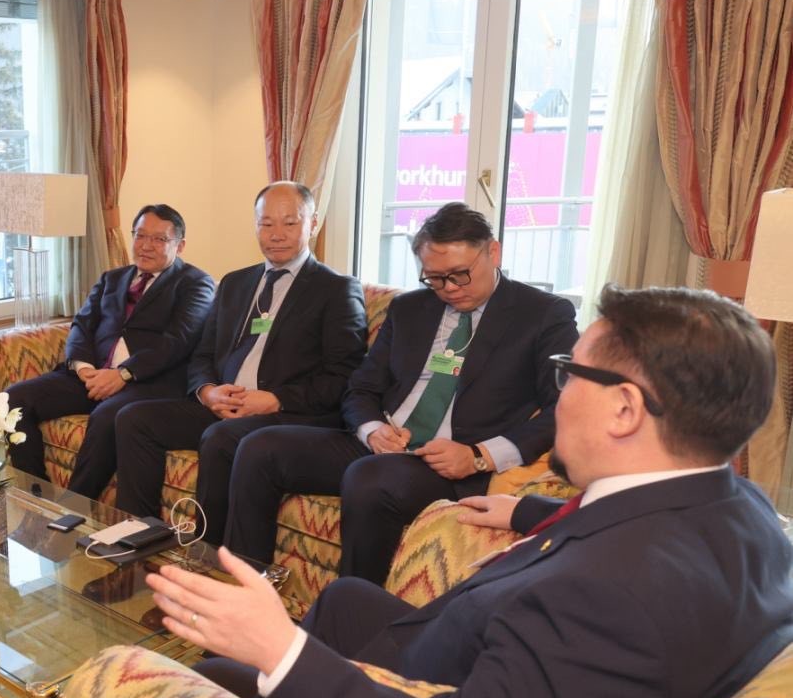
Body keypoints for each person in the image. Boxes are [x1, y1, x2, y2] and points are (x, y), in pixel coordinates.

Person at [100, 284, 793, 698]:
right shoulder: (745, 512)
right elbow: (636, 524)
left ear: (624, 410)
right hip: (459, 651)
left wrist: (277, 648)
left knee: (193, 683)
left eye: (569, 373)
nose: (555, 395)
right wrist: (529, 511)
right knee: (344, 596)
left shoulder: (610, 598)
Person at [222, 201, 578, 583]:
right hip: (382, 443)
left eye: (460, 275)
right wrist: (372, 429)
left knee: (369, 479)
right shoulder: (409, 308)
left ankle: (352, 610)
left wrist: (480, 456)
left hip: (452, 461)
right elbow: (362, 386)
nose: (449, 289)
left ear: (493, 252)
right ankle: (243, 584)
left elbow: (564, 407)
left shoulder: (543, 314)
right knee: (259, 448)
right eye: (435, 278)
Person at [111, 182, 367, 542]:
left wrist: (275, 399)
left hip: (286, 413)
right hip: (224, 403)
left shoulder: (336, 289)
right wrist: (207, 391)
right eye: (266, 223)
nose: (276, 234)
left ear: (312, 224)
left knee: (220, 439)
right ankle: (135, 538)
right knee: (134, 419)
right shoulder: (235, 283)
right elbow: (203, 354)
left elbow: (344, 375)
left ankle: (208, 554)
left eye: (289, 223)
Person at [6, 204, 214, 498]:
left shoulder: (196, 284)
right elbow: (81, 325)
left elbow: (177, 340)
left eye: (159, 239)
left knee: (107, 417)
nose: (146, 246)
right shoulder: (112, 278)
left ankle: (73, 507)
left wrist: (123, 374)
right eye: (140, 235)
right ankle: (36, 495)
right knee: (14, 399)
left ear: (179, 246)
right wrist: (83, 368)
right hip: (91, 376)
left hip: (147, 383)